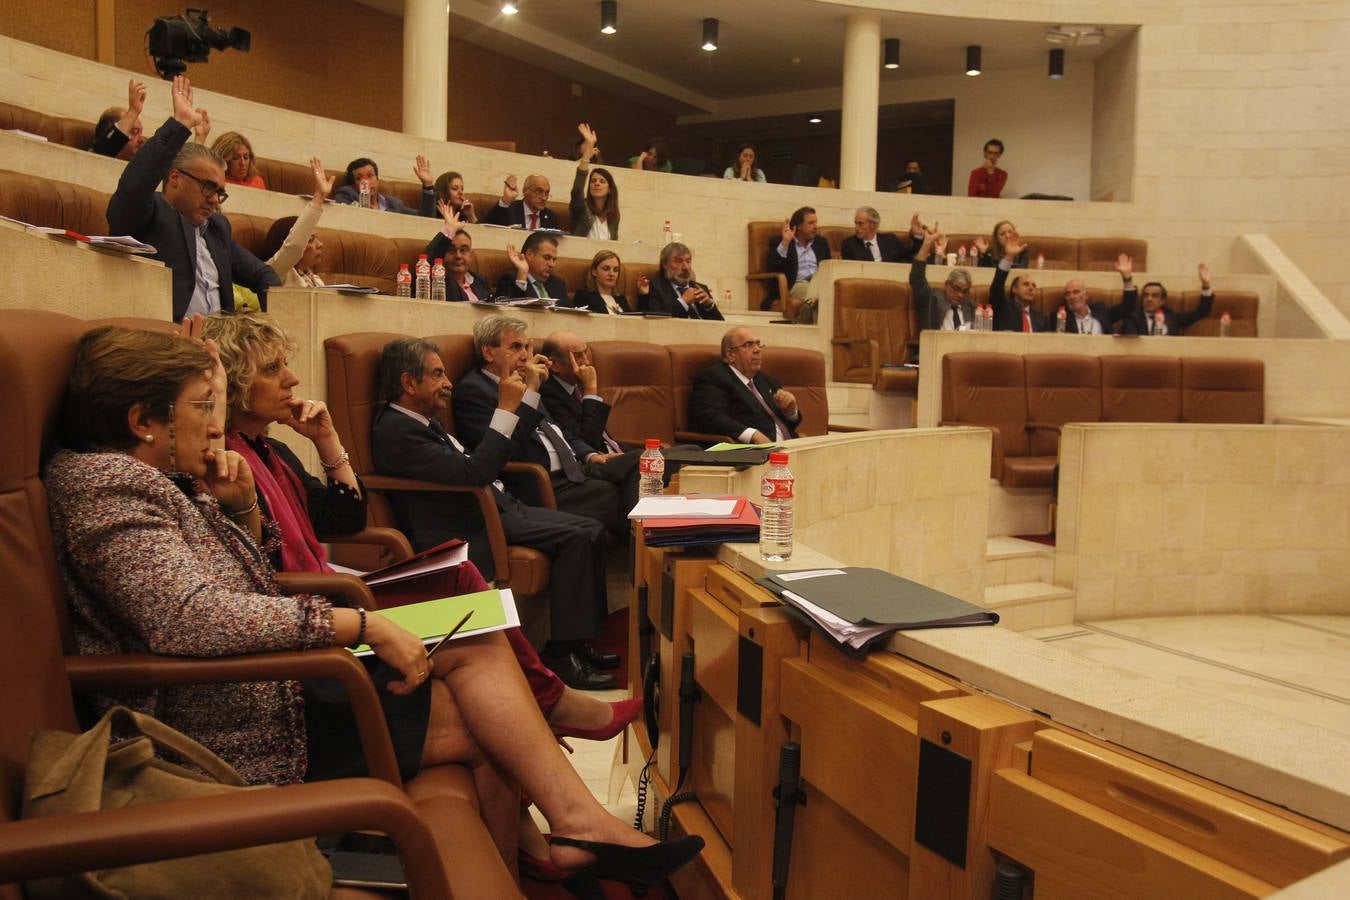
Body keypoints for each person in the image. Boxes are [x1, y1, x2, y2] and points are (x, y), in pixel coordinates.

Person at [45, 325, 703, 888]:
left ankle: (559, 837)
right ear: (142, 421)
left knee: (480, 670)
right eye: (200, 404)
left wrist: (242, 507)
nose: (213, 422)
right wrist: (360, 623)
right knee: (482, 698)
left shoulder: (165, 473)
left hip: (271, 677)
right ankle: (560, 836)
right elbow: (189, 614)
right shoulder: (110, 488)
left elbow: (243, 572)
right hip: (234, 721)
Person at [201, 312, 639, 740]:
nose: (293, 379)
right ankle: (555, 701)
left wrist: (328, 443)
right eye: (273, 368)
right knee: (467, 592)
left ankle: (552, 699)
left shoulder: (275, 450)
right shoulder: (224, 466)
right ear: (234, 383)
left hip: (338, 585)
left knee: (465, 581)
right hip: (316, 607)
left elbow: (344, 520)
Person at [373, 335, 619, 690]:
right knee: (578, 535)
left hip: (496, 504)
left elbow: (471, 466)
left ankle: (579, 642)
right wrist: (505, 408)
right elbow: (476, 472)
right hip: (470, 521)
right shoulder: (397, 429)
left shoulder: (423, 417)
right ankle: (562, 655)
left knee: (592, 529)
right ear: (408, 383)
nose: (448, 383)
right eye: (438, 375)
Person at [105, 75, 279, 321]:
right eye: (208, 187)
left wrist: (280, 316)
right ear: (175, 178)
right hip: (172, 344)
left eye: (220, 192)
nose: (215, 200)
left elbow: (264, 276)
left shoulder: (217, 228)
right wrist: (180, 125)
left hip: (222, 344)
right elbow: (135, 185)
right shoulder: (150, 214)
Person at [454, 315, 626, 537]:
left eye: (527, 347)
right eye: (516, 347)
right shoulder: (474, 391)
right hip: (540, 483)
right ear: (488, 352)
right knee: (627, 490)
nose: (525, 356)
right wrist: (532, 391)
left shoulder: (522, 381)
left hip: (575, 470)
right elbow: (502, 450)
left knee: (642, 463)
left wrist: (590, 454)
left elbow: (557, 431)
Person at [689, 327, 802, 444]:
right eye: (748, 345)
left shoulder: (767, 380)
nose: (757, 350)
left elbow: (791, 424)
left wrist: (791, 411)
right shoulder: (714, 377)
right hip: (757, 452)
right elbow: (711, 417)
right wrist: (753, 434)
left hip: (790, 448)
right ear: (730, 355)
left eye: (758, 344)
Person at [253, 157, 333, 291]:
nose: (320, 245)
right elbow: (294, 246)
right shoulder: (276, 271)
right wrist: (319, 197)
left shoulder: (315, 279)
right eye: (310, 240)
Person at [1115, 255, 1214, 336]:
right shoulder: (1133, 318)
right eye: (1146, 295)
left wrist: (1206, 285)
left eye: (1154, 296)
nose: (1149, 299)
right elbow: (1131, 345)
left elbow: (1201, 312)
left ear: (1163, 301)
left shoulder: (1172, 316)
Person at [765, 206, 833, 311]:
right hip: (797, 284)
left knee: (823, 277)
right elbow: (771, 267)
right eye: (811, 223)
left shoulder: (821, 243)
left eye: (816, 222)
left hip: (819, 282)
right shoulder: (781, 241)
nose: (816, 227)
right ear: (799, 226)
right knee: (820, 295)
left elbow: (828, 268)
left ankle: (807, 311)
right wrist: (785, 244)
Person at [911, 226, 976, 333]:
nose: (960, 295)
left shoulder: (970, 306)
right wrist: (927, 243)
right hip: (936, 348)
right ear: (946, 285)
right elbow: (916, 277)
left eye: (965, 291)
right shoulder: (931, 299)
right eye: (956, 288)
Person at [332, 156, 436, 217]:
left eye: (370, 176)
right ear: (354, 185)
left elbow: (425, 218)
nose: (366, 181)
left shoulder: (394, 204)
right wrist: (365, 196)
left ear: (377, 179)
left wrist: (428, 185)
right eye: (359, 178)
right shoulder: (346, 194)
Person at [641, 242, 723, 320]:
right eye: (678, 261)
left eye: (688, 261)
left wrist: (709, 306)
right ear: (665, 264)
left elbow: (721, 326)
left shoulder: (700, 289)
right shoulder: (656, 288)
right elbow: (655, 321)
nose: (686, 267)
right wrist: (683, 302)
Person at [425, 207, 492, 302]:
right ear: (443, 253)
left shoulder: (480, 281)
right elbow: (426, 261)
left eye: (463, 250)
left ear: (471, 256)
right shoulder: (438, 279)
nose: (458, 256)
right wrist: (449, 229)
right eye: (451, 250)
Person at [989, 235, 1051, 332]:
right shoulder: (1003, 306)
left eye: (1034, 286)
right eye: (1026, 284)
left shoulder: (1042, 319)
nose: (1031, 288)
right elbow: (997, 285)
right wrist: (1009, 257)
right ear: (1014, 289)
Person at [569, 123, 620, 240]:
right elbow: (577, 189)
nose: (597, 183)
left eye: (602, 181)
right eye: (593, 181)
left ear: (610, 190)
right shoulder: (581, 207)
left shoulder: (613, 217)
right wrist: (589, 147)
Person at [496, 231, 570, 303]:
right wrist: (522, 274)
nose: (551, 264)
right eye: (547, 257)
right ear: (530, 255)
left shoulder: (557, 284)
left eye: (554, 259)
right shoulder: (510, 279)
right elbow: (510, 311)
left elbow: (569, 313)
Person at [89, 79, 147, 160]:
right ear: (109, 133)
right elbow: (106, 149)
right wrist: (133, 111)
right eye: (134, 132)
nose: (141, 139)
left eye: (140, 133)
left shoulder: (139, 166)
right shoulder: (94, 157)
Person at [572, 249, 641, 314]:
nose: (611, 274)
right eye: (606, 269)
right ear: (594, 271)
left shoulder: (621, 299)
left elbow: (635, 321)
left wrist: (643, 294)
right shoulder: (583, 296)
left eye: (615, 270)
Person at [483, 173, 559, 230]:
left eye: (547, 193)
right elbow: (487, 227)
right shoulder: (510, 209)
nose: (544, 197)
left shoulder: (550, 217)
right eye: (539, 191)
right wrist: (505, 200)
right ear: (525, 191)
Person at [840, 206, 912, 263]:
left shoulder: (891, 240)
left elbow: (910, 254)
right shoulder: (849, 245)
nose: (856, 228)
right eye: (856, 223)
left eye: (860, 223)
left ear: (873, 225)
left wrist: (918, 235)